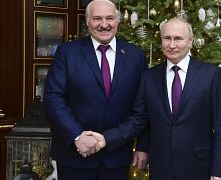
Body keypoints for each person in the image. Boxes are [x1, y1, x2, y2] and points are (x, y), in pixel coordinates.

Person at [91, 17, 221, 179]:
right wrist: (107, 138)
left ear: (190, 41)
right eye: (167, 38)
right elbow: (140, 119)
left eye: (178, 38)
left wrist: (219, 171)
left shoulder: (211, 75)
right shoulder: (149, 77)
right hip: (161, 167)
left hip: (199, 166)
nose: (172, 45)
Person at [43, 0, 149, 179]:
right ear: (87, 21)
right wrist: (77, 136)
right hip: (74, 157)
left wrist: (139, 146)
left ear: (117, 20)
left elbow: (142, 108)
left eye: (109, 18)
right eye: (97, 18)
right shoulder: (67, 53)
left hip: (117, 156)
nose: (104, 24)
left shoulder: (135, 56)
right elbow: (54, 99)